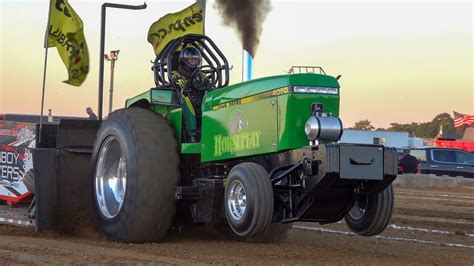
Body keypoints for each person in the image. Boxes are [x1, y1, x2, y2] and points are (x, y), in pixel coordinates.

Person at [171, 47, 208, 142]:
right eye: (191, 59)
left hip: (201, 100)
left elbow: (209, 85)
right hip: (183, 99)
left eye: (195, 59)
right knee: (186, 100)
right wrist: (178, 82)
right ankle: (192, 136)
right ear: (184, 60)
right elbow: (174, 79)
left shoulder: (201, 75)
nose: (194, 62)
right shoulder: (176, 73)